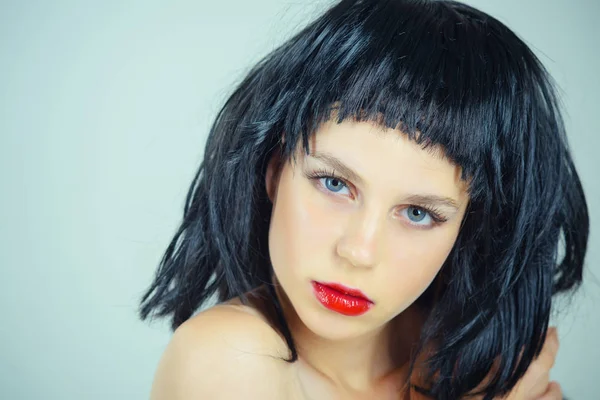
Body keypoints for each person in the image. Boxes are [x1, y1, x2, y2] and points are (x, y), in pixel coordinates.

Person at [139, 0, 588, 398]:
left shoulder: (478, 368)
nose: (358, 250)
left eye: (418, 213)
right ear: (275, 169)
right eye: (334, 183)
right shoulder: (225, 357)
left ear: (470, 226)